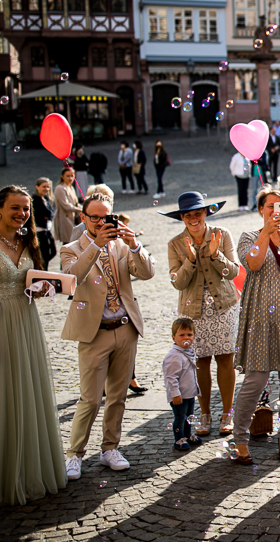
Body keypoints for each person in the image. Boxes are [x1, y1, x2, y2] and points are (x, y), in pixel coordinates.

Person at [61, 192, 155, 479]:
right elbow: (71, 280)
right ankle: (74, 454)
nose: (102, 223)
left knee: (117, 397)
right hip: (94, 334)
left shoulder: (122, 247)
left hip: (125, 329)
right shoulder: (71, 248)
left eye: (107, 217)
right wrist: (95, 246)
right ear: (83, 218)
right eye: (95, 218)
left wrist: (134, 244)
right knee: (90, 399)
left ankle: (109, 448)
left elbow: (148, 272)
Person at [232, 187, 280, 465]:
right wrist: (267, 233)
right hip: (259, 321)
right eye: (269, 206)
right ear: (260, 210)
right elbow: (252, 263)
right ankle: (240, 438)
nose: (275, 211)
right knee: (254, 382)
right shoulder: (249, 237)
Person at [0, 185, 67, 505]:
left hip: (26, 322)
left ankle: (28, 467)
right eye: (15, 207)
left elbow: (29, 279)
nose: (22, 214)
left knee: (24, 388)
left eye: (26, 209)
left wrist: (40, 288)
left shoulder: (29, 241)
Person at [164, 192, 240, 437]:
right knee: (200, 363)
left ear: (206, 213)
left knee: (226, 360)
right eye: (188, 215)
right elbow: (177, 282)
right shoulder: (175, 244)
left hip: (224, 307)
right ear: (182, 218)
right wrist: (190, 260)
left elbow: (234, 272)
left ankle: (227, 413)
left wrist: (216, 255)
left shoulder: (222, 234)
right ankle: (205, 414)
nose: (194, 218)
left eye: (198, 213)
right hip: (194, 311)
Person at [163, 318, 203, 451]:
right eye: (182, 335)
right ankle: (179, 439)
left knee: (189, 416)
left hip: (189, 393)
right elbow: (171, 377)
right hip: (179, 395)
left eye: (189, 334)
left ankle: (187, 435)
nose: (186, 337)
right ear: (173, 338)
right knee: (180, 417)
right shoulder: (174, 356)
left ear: (194, 336)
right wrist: (175, 394)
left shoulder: (189, 351)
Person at [32, 177, 57, 267]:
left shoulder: (46, 198)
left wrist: (47, 216)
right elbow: (44, 213)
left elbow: (50, 213)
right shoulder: (35, 199)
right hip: (39, 232)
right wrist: (46, 216)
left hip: (47, 230)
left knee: (52, 252)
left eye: (48, 187)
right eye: (44, 187)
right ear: (37, 187)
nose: (46, 189)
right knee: (44, 256)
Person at [54, 167, 81, 244]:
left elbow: (75, 203)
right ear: (62, 177)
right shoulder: (60, 188)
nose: (70, 178)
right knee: (68, 242)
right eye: (68, 176)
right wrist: (80, 210)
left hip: (72, 217)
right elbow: (65, 205)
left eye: (72, 176)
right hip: (64, 218)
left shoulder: (71, 187)